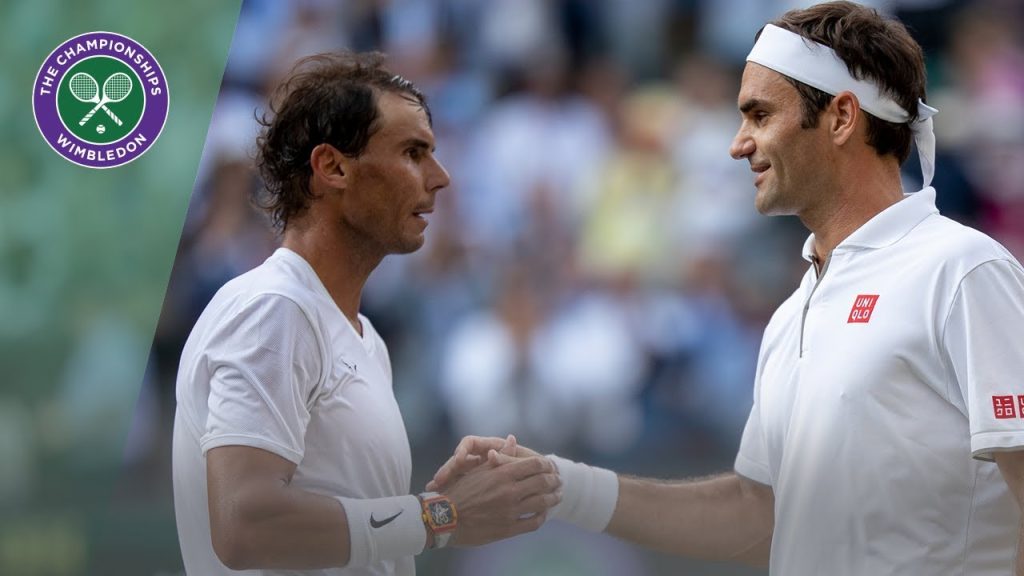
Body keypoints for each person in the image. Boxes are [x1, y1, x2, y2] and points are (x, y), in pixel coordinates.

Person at [430, 2, 1024, 574]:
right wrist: (560, 484)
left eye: (760, 116)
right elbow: (757, 516)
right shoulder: (793, 312)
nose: (737, 144)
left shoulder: (963, 270)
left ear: (842, 118)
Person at [171, 52, 560, 576]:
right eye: (413, 152)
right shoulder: (274, 309)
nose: (440, 177)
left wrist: (437, 503)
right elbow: (246, 526)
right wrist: (444, 514)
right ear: (332, 167)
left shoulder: (363, 338)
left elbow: (359, 533)